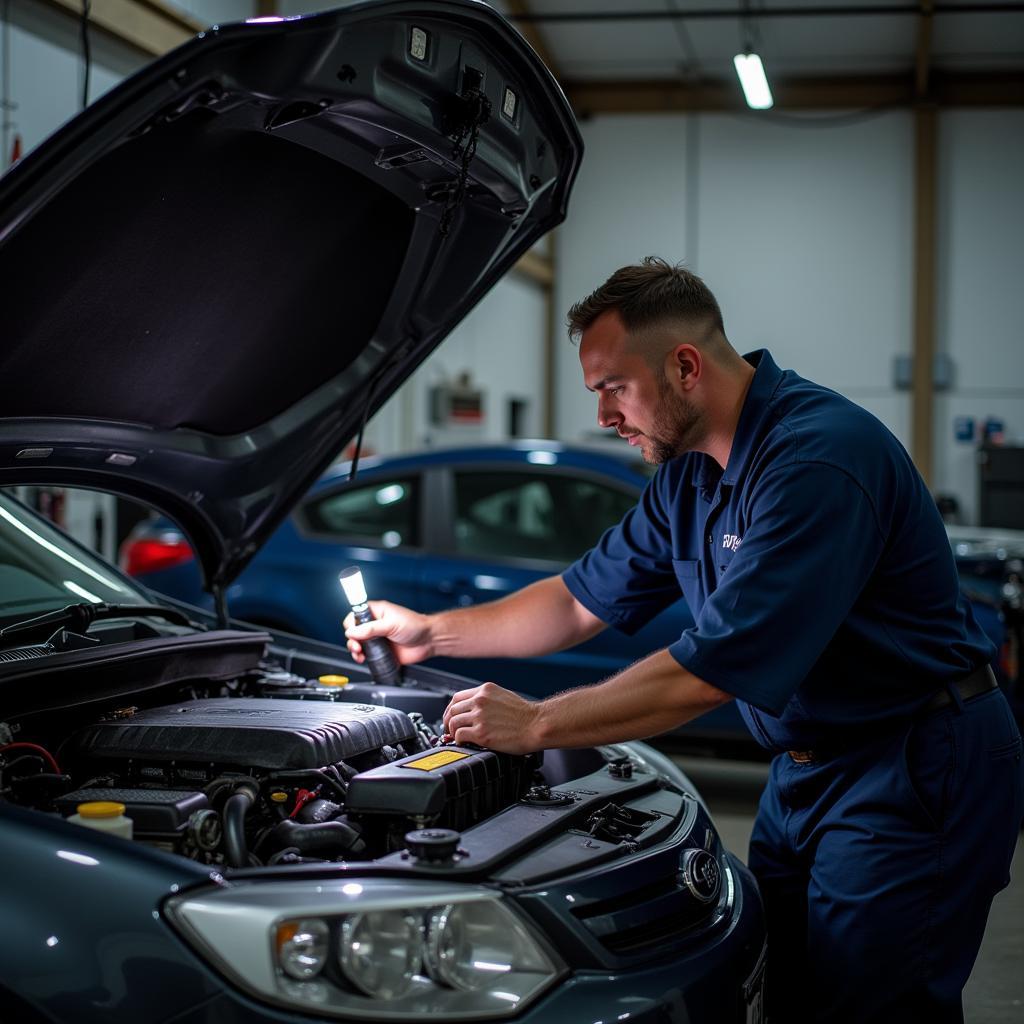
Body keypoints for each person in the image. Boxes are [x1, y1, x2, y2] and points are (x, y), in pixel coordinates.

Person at [345, 257, 1023, 1023]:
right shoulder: (687, 476)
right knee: (782, 991)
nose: (604, 415)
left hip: (912, 761)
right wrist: (429, 633)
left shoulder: (817, 460)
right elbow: (572, 604)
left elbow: (708, 675)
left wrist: (536, 724)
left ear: (686, 366)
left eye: (612, 388)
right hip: (807, 770)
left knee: (871, 1006)